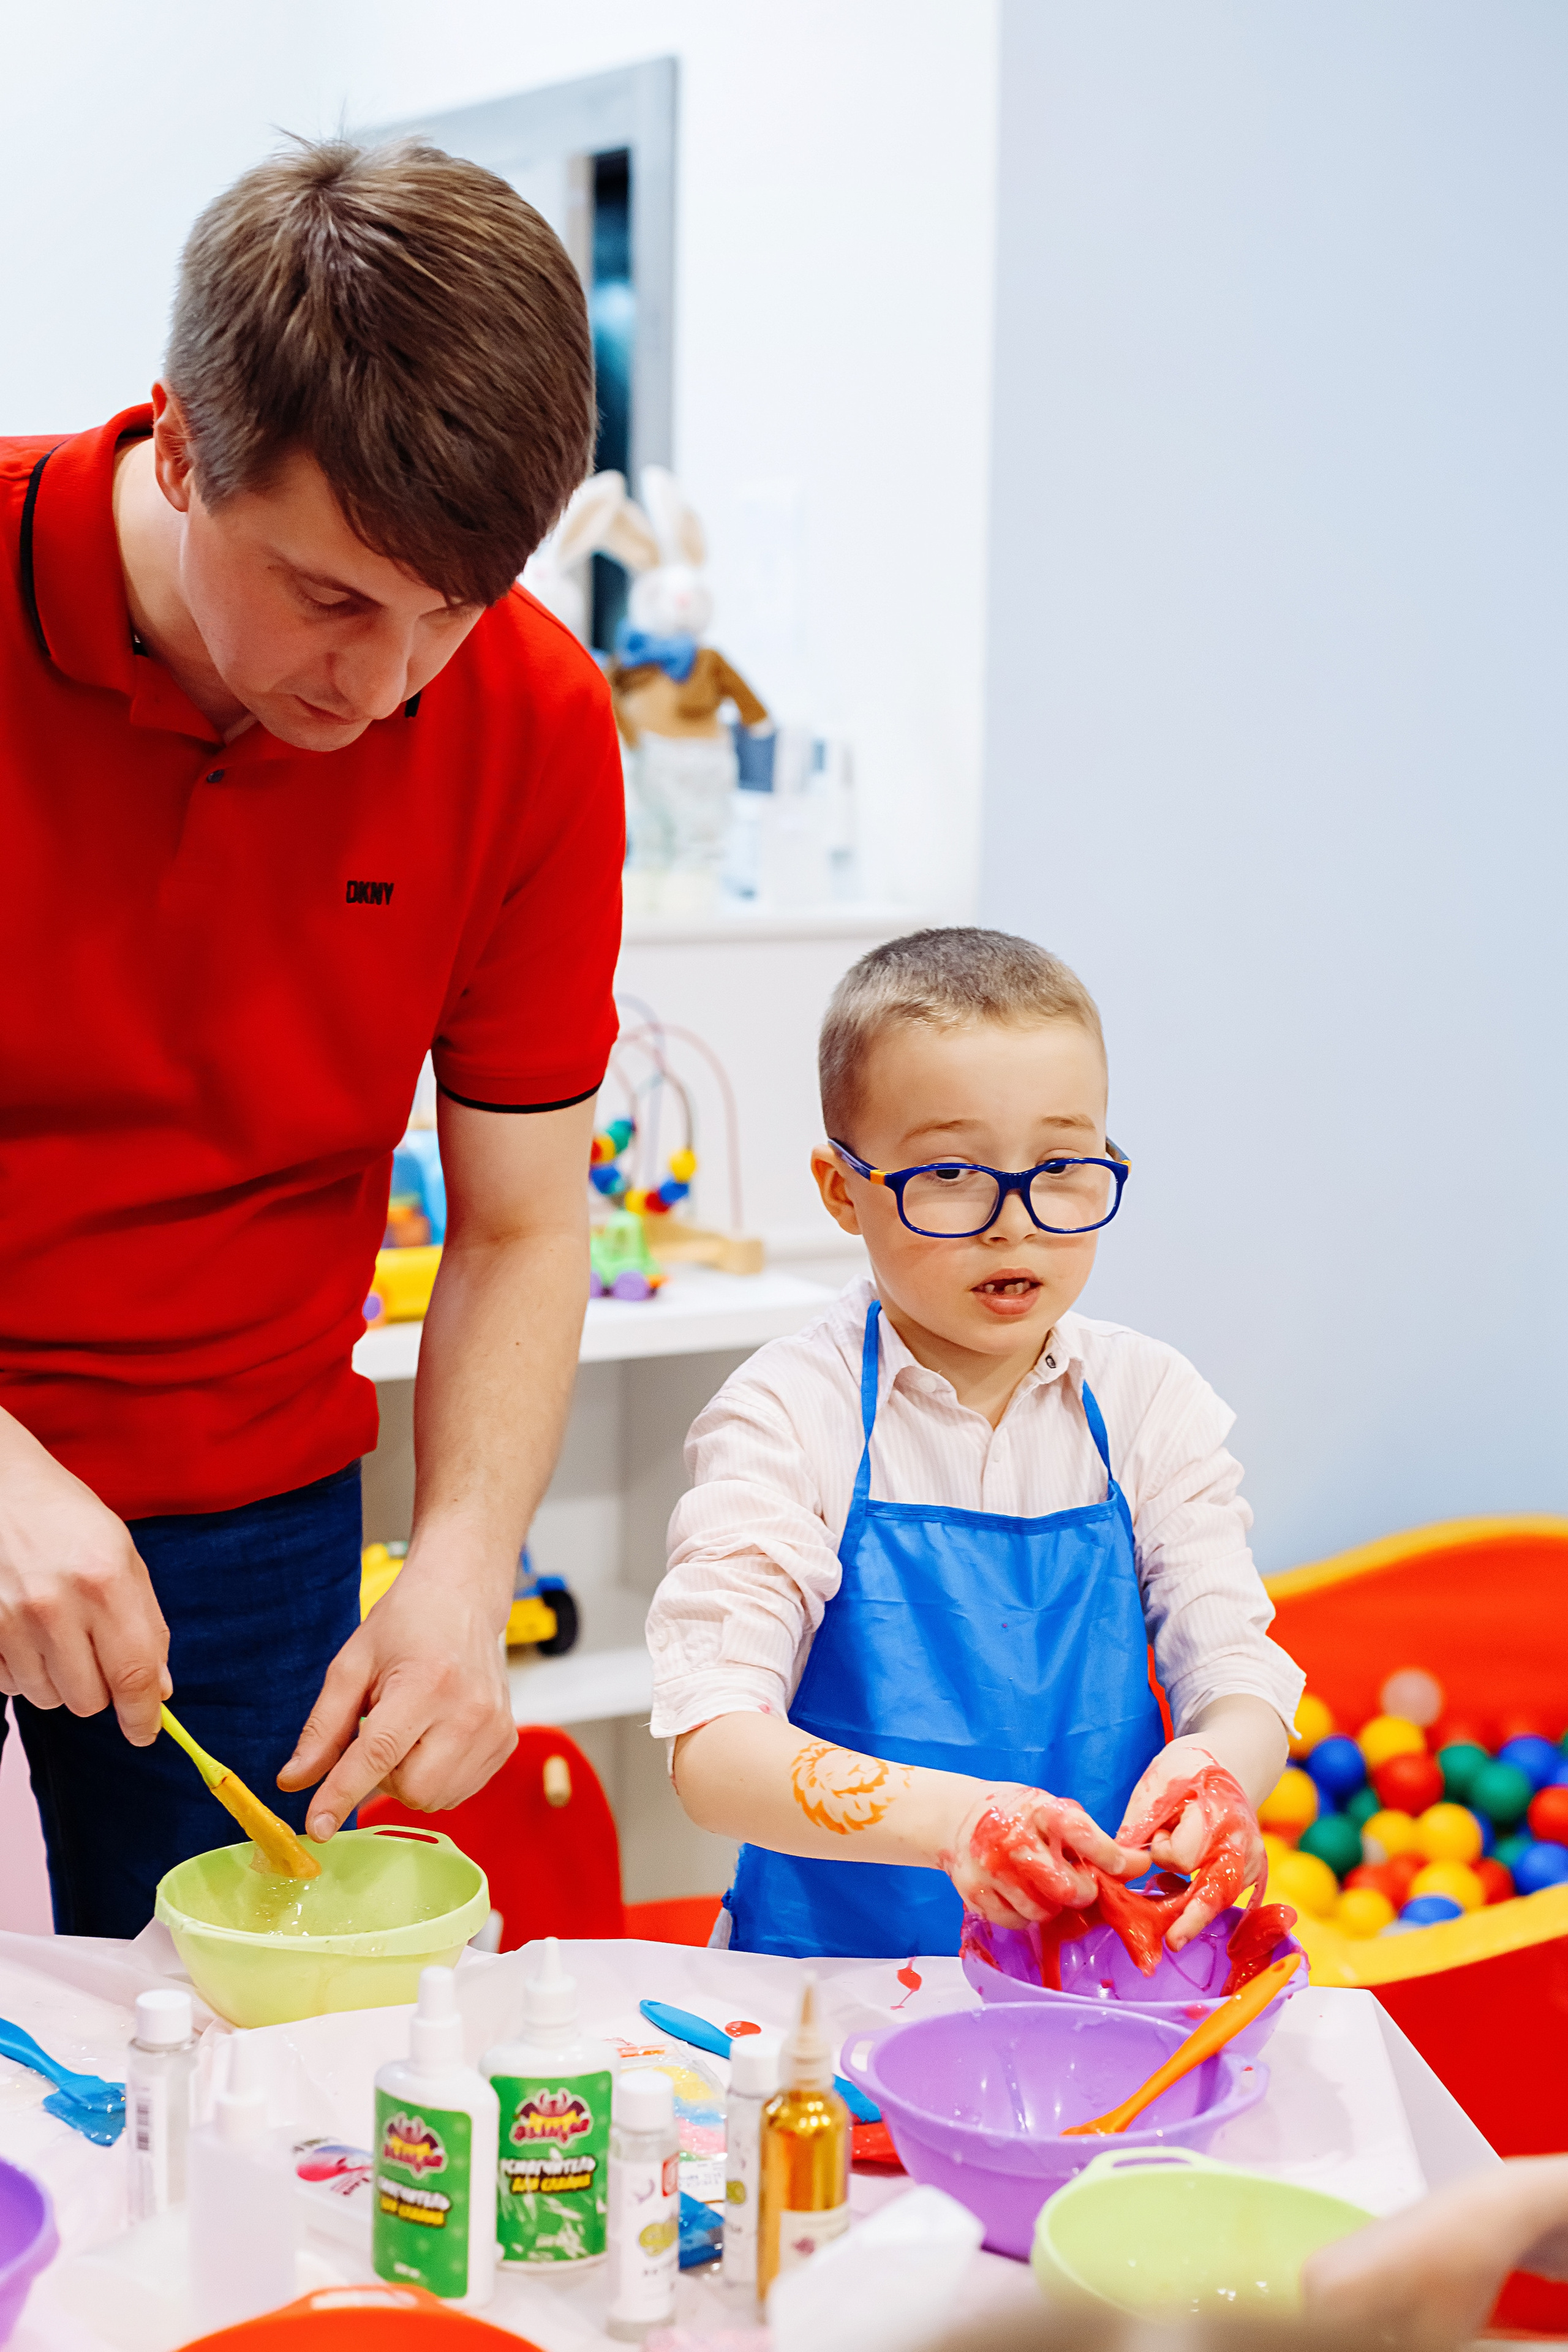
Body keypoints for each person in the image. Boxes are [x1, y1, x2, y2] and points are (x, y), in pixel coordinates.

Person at [0, 138, 624, 1936]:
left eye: (456, 607)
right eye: (334, 596)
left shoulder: (538, 722)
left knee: (250, 2066)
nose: (390, 685)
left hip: (253, 1500)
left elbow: (520, 1220)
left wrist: (457, 1565)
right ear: (181, 444)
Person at [648, 928, 1302, 1957]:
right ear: (841, 1188)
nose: (1015, 1221)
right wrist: (959, 1825)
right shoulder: (787, 1414)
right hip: (830, 1982)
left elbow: (1237, 1669)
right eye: (950, 1172)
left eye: (1060, 1165)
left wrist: (1220, 1763)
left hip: (1088, 1977)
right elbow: (715, 1748)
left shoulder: (1148, 1401)